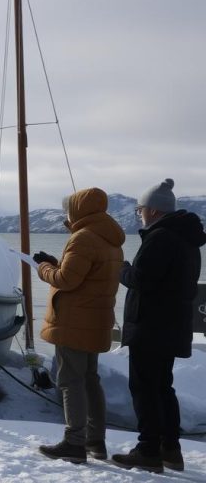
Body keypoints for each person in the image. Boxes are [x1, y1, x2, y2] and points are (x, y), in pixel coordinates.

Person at [112, 179, 205, 473]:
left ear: (152, 211)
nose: (139, 213)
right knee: (162, 387)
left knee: (144, 388)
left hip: (150, 325)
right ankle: (170, 449)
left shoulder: (161, 237)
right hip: (172, 325)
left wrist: (122, 270)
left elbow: (142, 279)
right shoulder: (187, 239)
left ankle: (148, 450)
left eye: (140, 208)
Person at [33, 188, 125, 464]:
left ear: (77, 210)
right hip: (96, 321)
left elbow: (66, 280)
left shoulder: (83, 238)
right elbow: (85, 275)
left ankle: (74, 442)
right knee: (90, 380)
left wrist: (43, 268)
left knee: (70, 381)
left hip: (74, 322)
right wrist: (58, 263)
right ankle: (95, 442)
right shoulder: (111, 239)